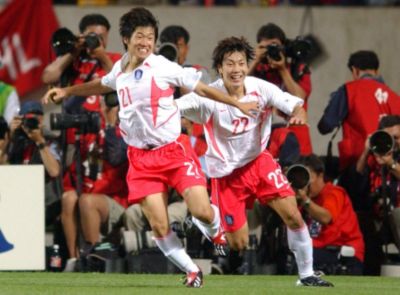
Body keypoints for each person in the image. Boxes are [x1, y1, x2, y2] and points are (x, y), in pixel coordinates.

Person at [42, 7, 257, 288]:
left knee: (202, 211)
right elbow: (100, 85)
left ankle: (216, 233)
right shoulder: (120, 69)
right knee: (158, 225)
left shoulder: (162, 66)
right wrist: (67, 91)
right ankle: (192, 271)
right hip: (141, 160)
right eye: (139, 36)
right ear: (126, 39)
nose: (145, 42)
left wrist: (237, 103)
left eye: (150, 37)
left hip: (173, 151)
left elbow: (202, 89)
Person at [176, 36, 332, 287]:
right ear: (220, 68)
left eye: (240, 63)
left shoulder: (262, 88)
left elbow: (295, 105)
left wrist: (298, 115)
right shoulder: (206, 98)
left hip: (260, 162)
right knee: (238, 244)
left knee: (293, 214)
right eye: (230, 64)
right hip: (227, 175)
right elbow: (171, 108)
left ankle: (307, 275)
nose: (236, 69)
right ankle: (203, 220)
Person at [318, 50, 400, 172]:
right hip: (390, 164)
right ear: (376, 71)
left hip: (358, 163)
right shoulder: (394, 96)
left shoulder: (349, 91)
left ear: (355, 70)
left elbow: (326, 126)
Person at [249, 23, 313, 155]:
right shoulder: (256, 71)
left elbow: (300, 98)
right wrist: (254, 61)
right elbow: (234, 88)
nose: (271, 51)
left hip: (295, 138)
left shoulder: (297, 69)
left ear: (283, 48)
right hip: (262, 139)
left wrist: (283, 69)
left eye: (275, 46)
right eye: (265, 47)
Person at [295, 154, 365, 275]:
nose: (305, 183)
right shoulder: (303, 198)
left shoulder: (334, 193)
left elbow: (326, 217)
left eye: (308, 177)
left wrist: (305, 201)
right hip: (320, 251)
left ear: (320, 175)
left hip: (344, 254)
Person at [355, 115, 400, 273]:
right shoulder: (376, 157)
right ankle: (366, 274)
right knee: (359, 219)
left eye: (396, 138)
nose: (393, 143)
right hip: (378, 219)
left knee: (398, 214)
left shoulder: (391, 160)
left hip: (397, 217)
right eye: (389, 138)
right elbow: (357, 177)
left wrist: (390, 163)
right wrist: (367, 149)